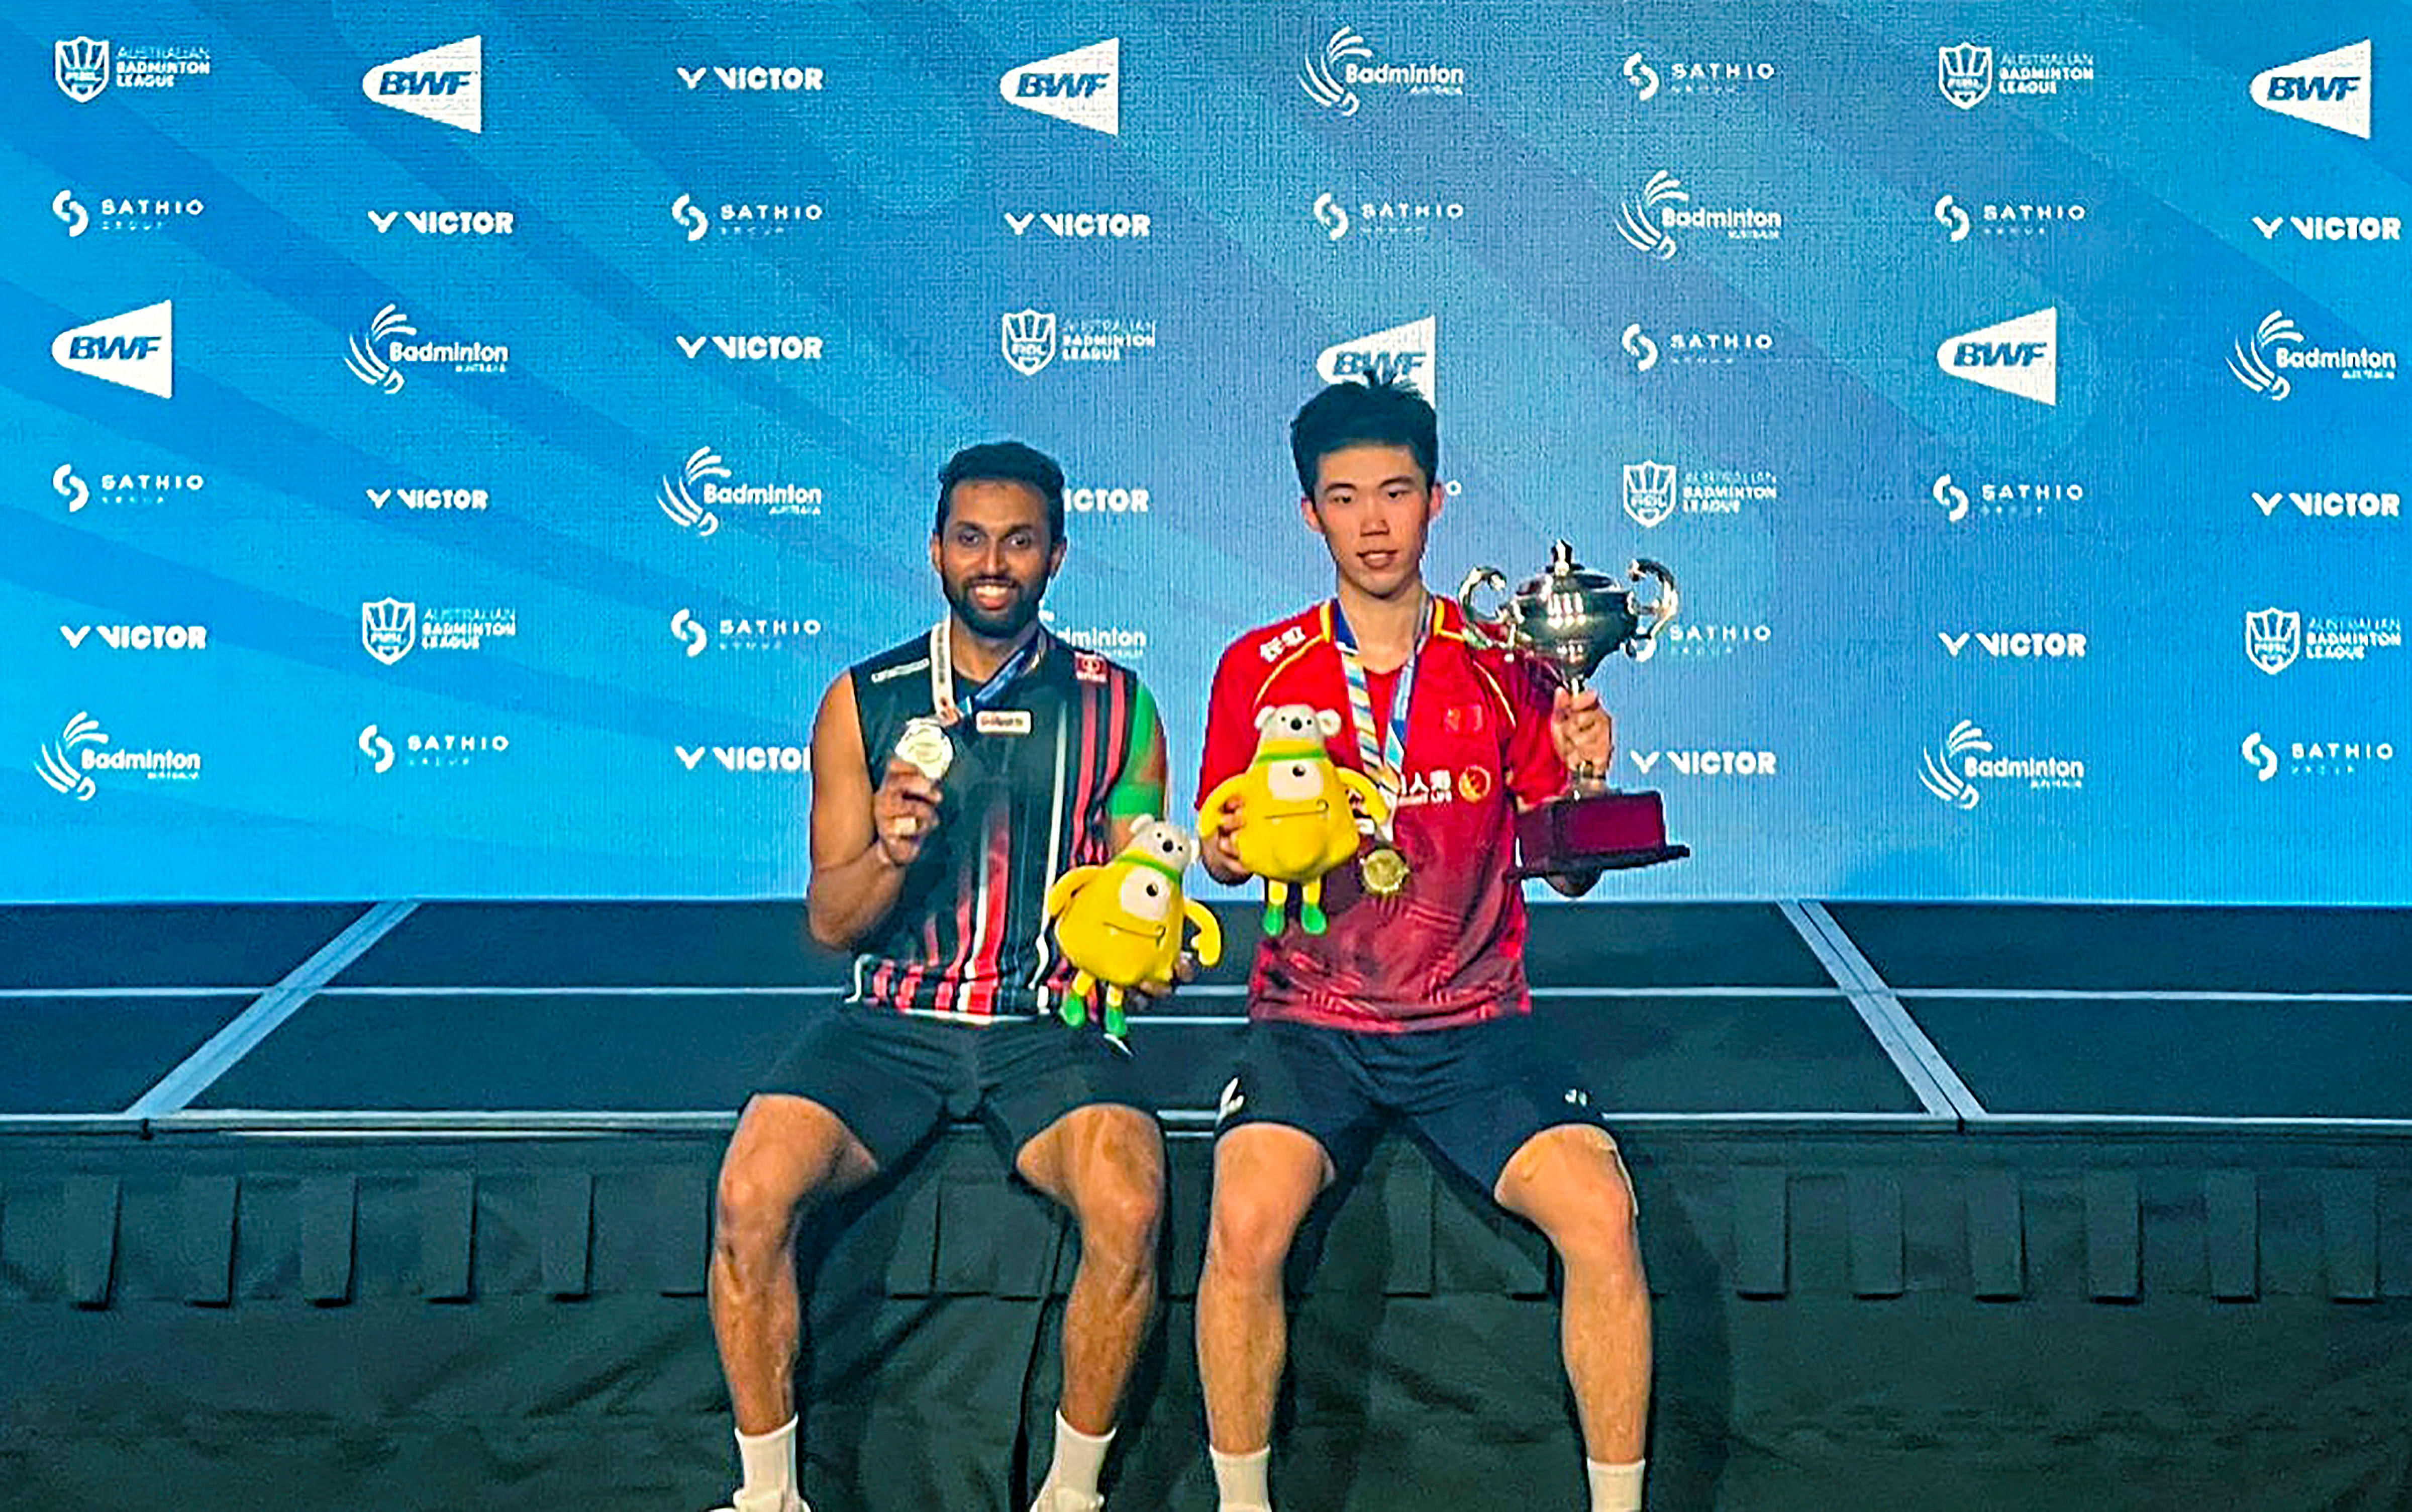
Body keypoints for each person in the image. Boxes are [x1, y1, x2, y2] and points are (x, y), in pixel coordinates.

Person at [1190, 376, 1653, 1512]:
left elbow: (1571, 867)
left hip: (1477, 1028)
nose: (1376, 522)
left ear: (1436, 500)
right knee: (1244, 1221)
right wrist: (1234, 848)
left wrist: (1585, 771)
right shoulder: (1258, 669)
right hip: (1312, 1023)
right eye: (1346, 498)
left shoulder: (1507, 663)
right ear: (1311, 515)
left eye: (1396, 492)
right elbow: (1218, 853)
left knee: (1604, 1215)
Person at [709, 442, 1174, 1512]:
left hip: (1046, 1022)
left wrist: (1145, 955)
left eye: (1019, 539)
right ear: (935, 551)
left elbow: (1141, 894)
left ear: (1058, 553)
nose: (993, 561)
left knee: (1131, 1198)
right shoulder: (860, 700)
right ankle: (769, 1495)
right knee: (749, 1190)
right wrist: (889, 852)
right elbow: (832, 921)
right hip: (892, 1019)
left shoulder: (1120, 704)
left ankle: (1070, 1493)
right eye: (971, 537)